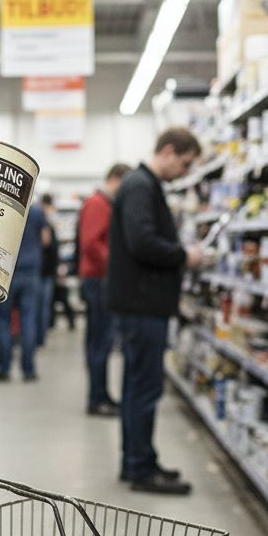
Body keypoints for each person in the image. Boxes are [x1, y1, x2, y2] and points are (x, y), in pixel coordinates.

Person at [109, 129, 204, 495]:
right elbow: (142, 242)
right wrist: (185, 256)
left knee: (139, 387)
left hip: (141, 303)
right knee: (144, 388)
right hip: (142, 305)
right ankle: (140, 468)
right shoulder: (140, 186)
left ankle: (138, 461)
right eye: (184, 163)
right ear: (168, 151)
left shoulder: (140, 184)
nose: (184, 171)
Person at [78, 163, 130, 416]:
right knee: (101, 342)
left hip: (99, 278)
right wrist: (114, 266)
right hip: (99, 280)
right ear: (116, 179)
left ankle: (101, 395)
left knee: (100, 342)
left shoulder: (102, 203)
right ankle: (97, 399)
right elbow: (90, 243)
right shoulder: (97, 204)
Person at [0, 200, 48, 381]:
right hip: (30, 272)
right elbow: (46, 240)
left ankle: (4, 368)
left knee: (3, 321)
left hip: (5, 272)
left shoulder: (3, 207)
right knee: (28, 320)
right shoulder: (37, 211)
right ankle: (28, 369)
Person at [38, 194, 59, 345]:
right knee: (43, 306)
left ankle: (40, 336)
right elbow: (47, 243)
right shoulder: (44, 223)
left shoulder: (45, 222)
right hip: (43, 271)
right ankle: (40, 337)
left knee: (41, 306)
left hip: (43, 271)